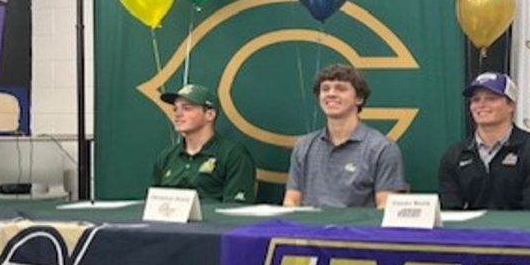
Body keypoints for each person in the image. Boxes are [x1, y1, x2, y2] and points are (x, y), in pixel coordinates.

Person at [284, 64, 406, 208]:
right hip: (309, 230)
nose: (331, 94)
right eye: (325, 89)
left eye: (340, 89)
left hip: (359, 230)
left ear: (359, 98)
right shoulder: (303, 145)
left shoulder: (382, 148)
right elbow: (291, 201)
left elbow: (385, 207)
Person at [438, 72, 530, 211]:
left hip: (520, 231)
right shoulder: (454, 155)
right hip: (470, 232)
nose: (481, 105)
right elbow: (450, 211)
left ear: (511, 106)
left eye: (491, 98)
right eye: (476, 100)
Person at [151, 83, 256, 203]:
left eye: (187, 108)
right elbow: (153, 205)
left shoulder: (233, 155)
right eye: (175, 109)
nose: (178, 114)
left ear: (210, 114)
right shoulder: (166, 157)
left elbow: (236, 209)